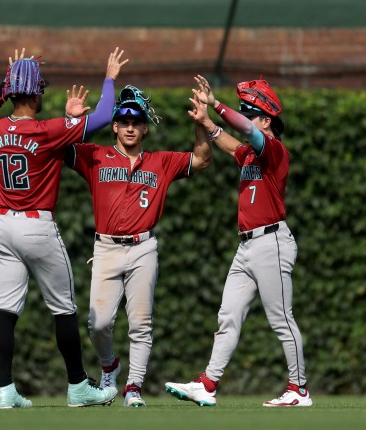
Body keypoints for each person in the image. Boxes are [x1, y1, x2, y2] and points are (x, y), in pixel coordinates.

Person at [0, 47, 128, 408]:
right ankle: (78, 386)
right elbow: (105, 114)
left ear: (11, 93)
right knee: (64, 309)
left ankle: (5, 391)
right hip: (36, 227)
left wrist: (4, 82)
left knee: (6, 310)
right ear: (37, 92)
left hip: (3, 226)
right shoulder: (47, 130)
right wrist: (109, 77)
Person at [164, 75, 313, 407]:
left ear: (267, 120)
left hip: (271, 241)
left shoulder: (273, 150)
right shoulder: (250, 154)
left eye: (251, 111)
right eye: (244, 111)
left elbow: (245, 132)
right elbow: (233, 144)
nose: (246, 115)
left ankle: (298, 390)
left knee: (281, 319)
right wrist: (206, 122)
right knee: (227, 315)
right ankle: (208, 384)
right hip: (247, 246)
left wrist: (216, 105)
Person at [65, 85, 212, 407]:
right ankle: (110, 365)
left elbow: (202, 160)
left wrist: (200, 122)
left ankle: (134, 386)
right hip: (106, 247)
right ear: (114, 125)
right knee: (98, 323)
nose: (130, 126)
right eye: (123, 120)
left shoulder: (161, 161)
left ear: (145, 127)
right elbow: (61, 149)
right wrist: (70, 119)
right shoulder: (95, 155)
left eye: (136, 121)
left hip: (143, 247)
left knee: (140, 322)